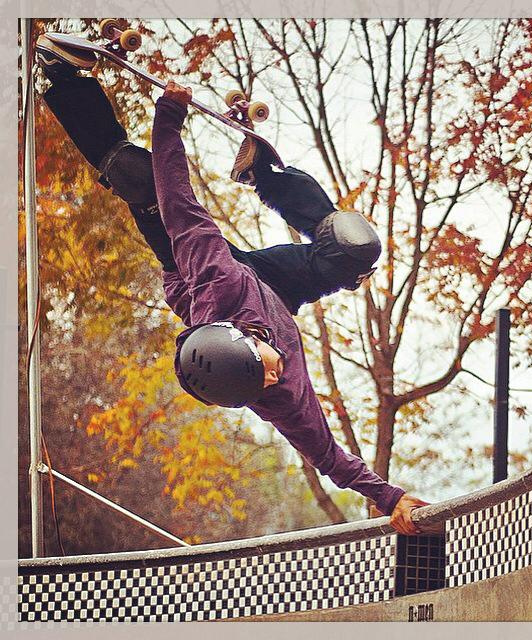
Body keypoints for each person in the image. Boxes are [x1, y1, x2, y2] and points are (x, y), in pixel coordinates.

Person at [36, 34, 428, 535]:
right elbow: (328, 456)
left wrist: (169, 119)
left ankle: (255, 172)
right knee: (351, 250)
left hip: (201, 269)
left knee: (147, 181)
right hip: (271, 296)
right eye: (265, 384)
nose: (276, 375)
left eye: (266, 372)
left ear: (249, 341)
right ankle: (68, 80)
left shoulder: (212, 276)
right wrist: (389, 497)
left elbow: (179, 198)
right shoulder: (279, 396)